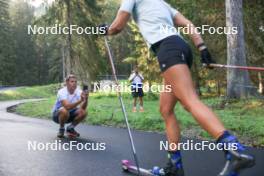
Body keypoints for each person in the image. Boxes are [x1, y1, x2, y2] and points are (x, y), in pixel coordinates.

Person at [100, 0, 255, 175]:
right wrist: (202, 47)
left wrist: (105, 30)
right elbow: (188, 24)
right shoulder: (162, 4)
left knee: (189, 101)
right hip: (181, 48)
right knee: (166, 110)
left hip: (167, 50)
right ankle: (175, 165)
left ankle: (234, 150)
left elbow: (118, 26)